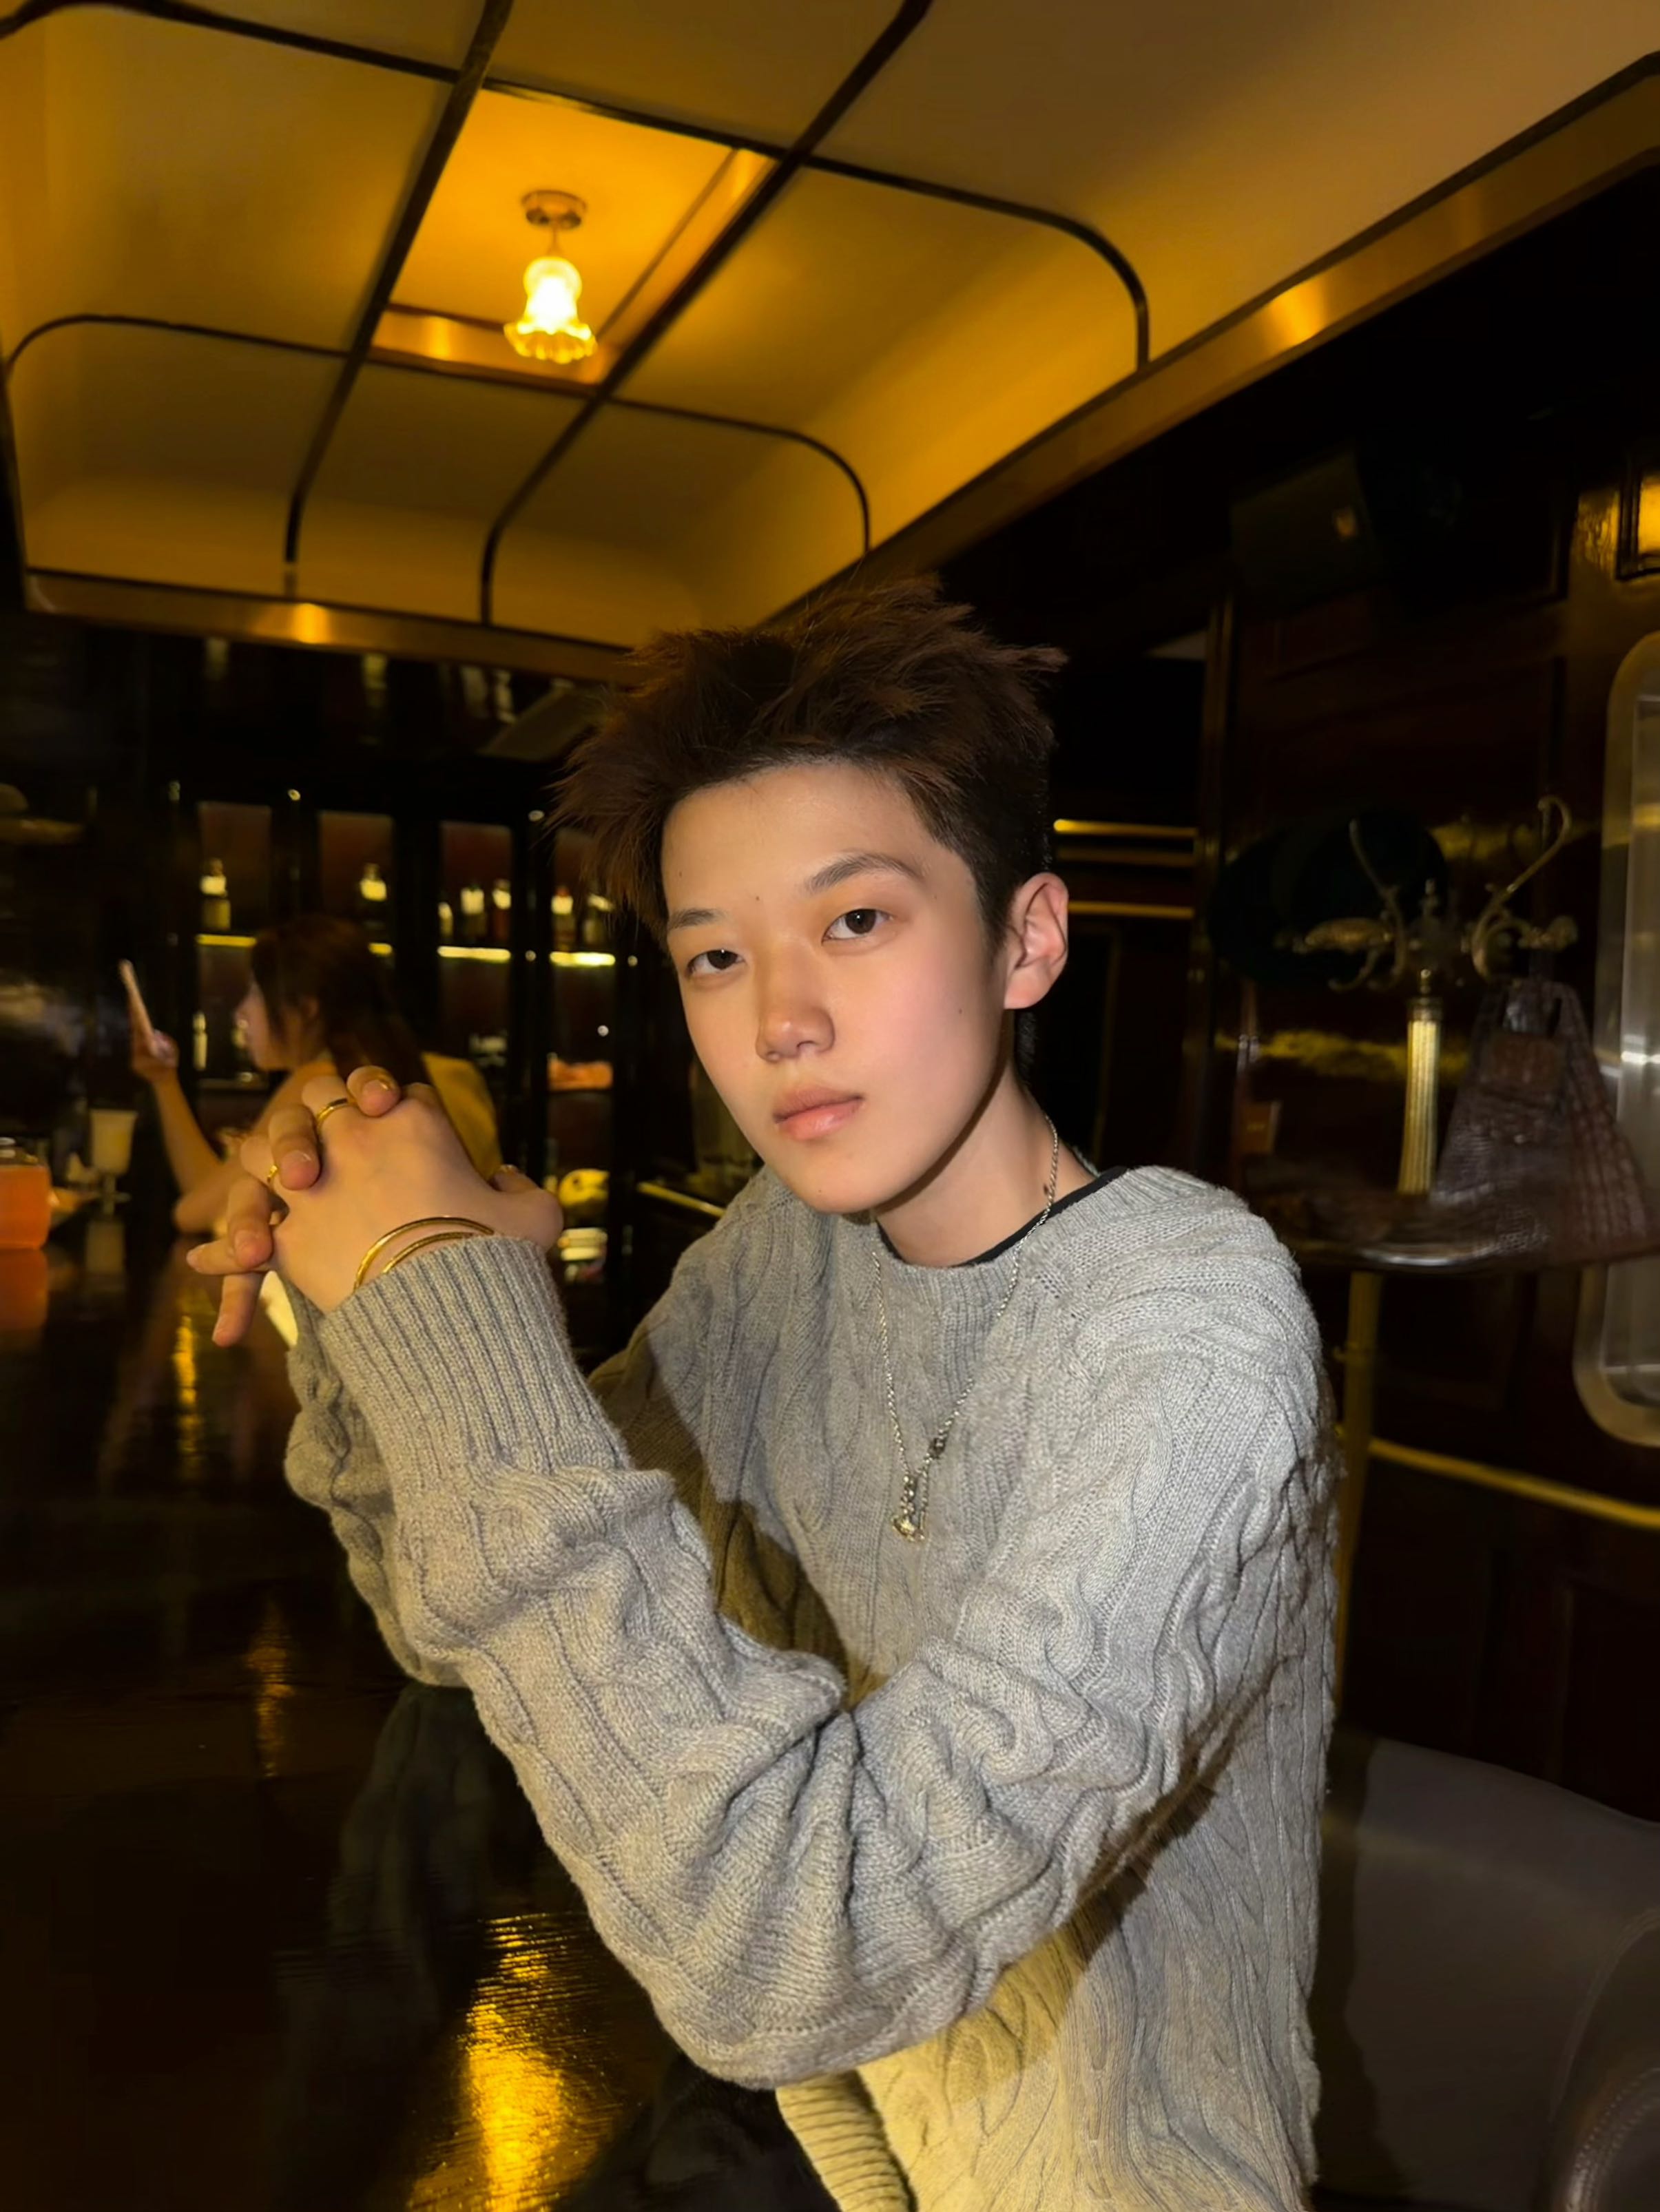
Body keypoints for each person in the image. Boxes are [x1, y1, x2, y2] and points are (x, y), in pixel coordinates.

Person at [189, 581, 1336, 2211]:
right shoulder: (782, 1253)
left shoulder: (1189, 1328)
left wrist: (442, 1289)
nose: (778, 1021)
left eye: (854, 920)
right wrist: (382, 1324)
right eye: (714, 954)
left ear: (1026, 938)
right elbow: (459, 1626)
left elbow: (806, 1948)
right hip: (832, 2134)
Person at [133, 912, 501, 1233]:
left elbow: (194, 1213)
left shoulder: (318, 1083)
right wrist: (165, 1081)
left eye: (256, 992)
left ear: (307, 1009)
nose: (241, 1012)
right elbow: (211, 1194)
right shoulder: (452, 1074)